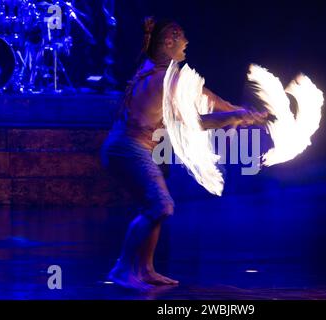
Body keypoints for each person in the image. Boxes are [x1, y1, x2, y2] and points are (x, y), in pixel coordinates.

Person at [101, 16, 268, 289]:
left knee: (153, 207)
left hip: (125, 148)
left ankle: (144, 269)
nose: (187, 42)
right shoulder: (165, 80)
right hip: (128, 150)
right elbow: (194, 121)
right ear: (169, 42)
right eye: (182, 39)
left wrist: (239, 114)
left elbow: (206, 97)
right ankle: (123, 269)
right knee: (161, 205)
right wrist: (234, 116)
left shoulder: (154, 70)